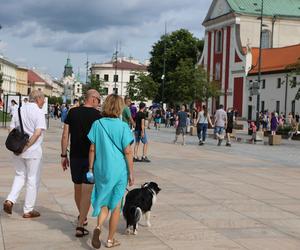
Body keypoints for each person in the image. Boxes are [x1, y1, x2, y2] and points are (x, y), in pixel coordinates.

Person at [87, 94, 134, 249]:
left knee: (104, 201)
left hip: (101, 168)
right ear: (120, 108)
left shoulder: (97, 124)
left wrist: (90, 168)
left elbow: (92, 148)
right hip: (118, 169)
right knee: (116, 206)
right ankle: (110, 240)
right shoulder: (123, 127)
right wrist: (131, 173)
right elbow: (127, 152)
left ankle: (99, 226)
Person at [60, 89, 102, 237]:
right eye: (99, 100)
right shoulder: (99, 116)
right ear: (94, 99)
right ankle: (80, 223)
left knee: (77, 188)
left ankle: (81, 217)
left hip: (76, 156)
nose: (99, 103)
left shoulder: (72, 112)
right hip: (92, 158)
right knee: (87, 191)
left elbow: (65, 135)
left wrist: (64, 155)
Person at [3, 90, 46, 218]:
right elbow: (37, 132)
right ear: (38, 99)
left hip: (17, 150)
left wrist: (19, 146)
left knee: (19, 175)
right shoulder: (38, 112)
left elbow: (11, 129)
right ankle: (28, 210)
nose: (43, 102)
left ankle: (10, 200)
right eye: (43, 99)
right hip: (33, 151)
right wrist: (26, 146)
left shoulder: (18, 110)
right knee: (33, 179)